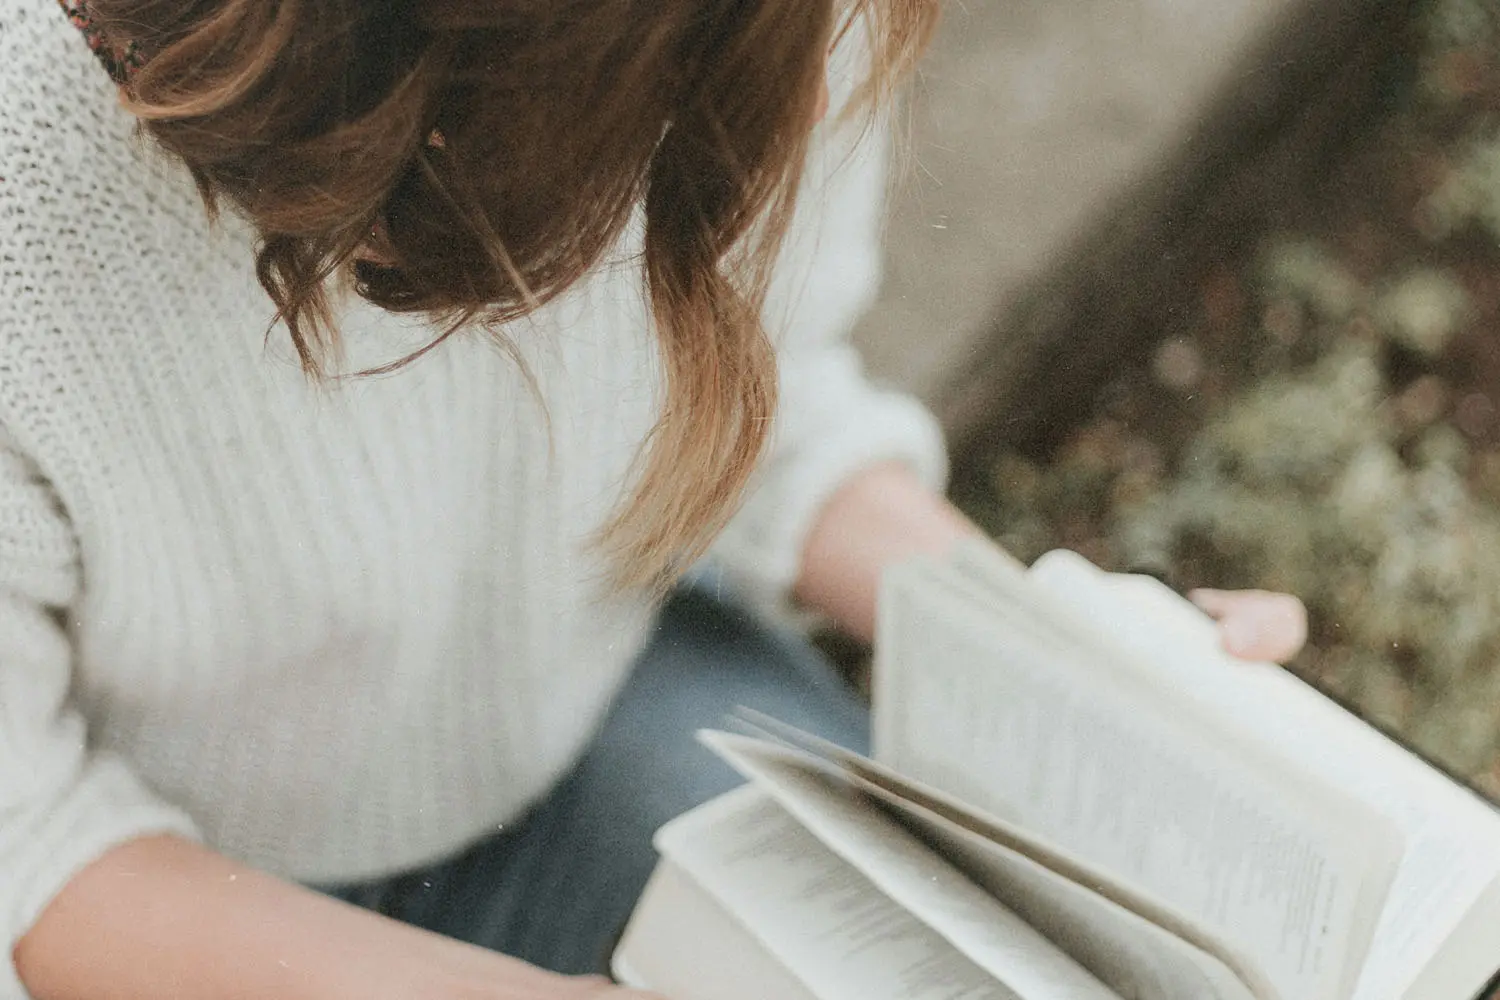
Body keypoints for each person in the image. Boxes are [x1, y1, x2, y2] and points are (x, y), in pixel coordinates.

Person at [0, 0, 1308, 997]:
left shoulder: (769, 26)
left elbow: (765, 402)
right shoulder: (26, 183)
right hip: (163, 900)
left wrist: (1075, 679)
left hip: (582, 705)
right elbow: (31, 848)